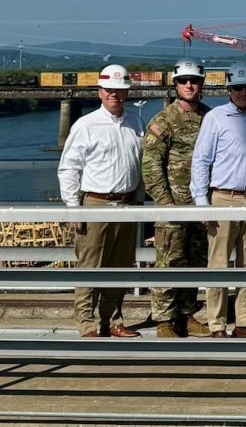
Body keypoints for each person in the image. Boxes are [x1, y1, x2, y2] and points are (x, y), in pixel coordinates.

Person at [58, 64, 145, 338]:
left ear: (126, 93)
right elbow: (69, 168)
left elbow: (139, 166)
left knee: (120, 266)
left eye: (120, 90)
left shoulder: (135, 123)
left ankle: (113, 319)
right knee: (90, 265)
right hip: (95, 203)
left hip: (127, 204)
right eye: (110, 90)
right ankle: (86, 323)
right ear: (100, 92)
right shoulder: (85, 125)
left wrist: (139, 203)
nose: (115, 95)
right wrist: (73, 208)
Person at [190, 61, 246, 339]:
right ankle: (217, 324)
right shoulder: (215, 117)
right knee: (219, 265)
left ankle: (244, 321)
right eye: (238, 88)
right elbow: (201, 160)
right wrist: (201, 201)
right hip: (223, 198)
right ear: (229, 90)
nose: (244, 93)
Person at [142, 58, 211, 338]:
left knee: (195, 262)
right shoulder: (164, 120)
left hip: (199, 207)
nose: (189, 85)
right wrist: (165, 202)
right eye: (184, 81)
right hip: (172, 207)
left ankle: (186, 314)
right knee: (169, 263)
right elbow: (150, 165)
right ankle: (163, 320)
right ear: (176, 85)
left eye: (194, 81)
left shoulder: (209, 117)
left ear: (201, 84)